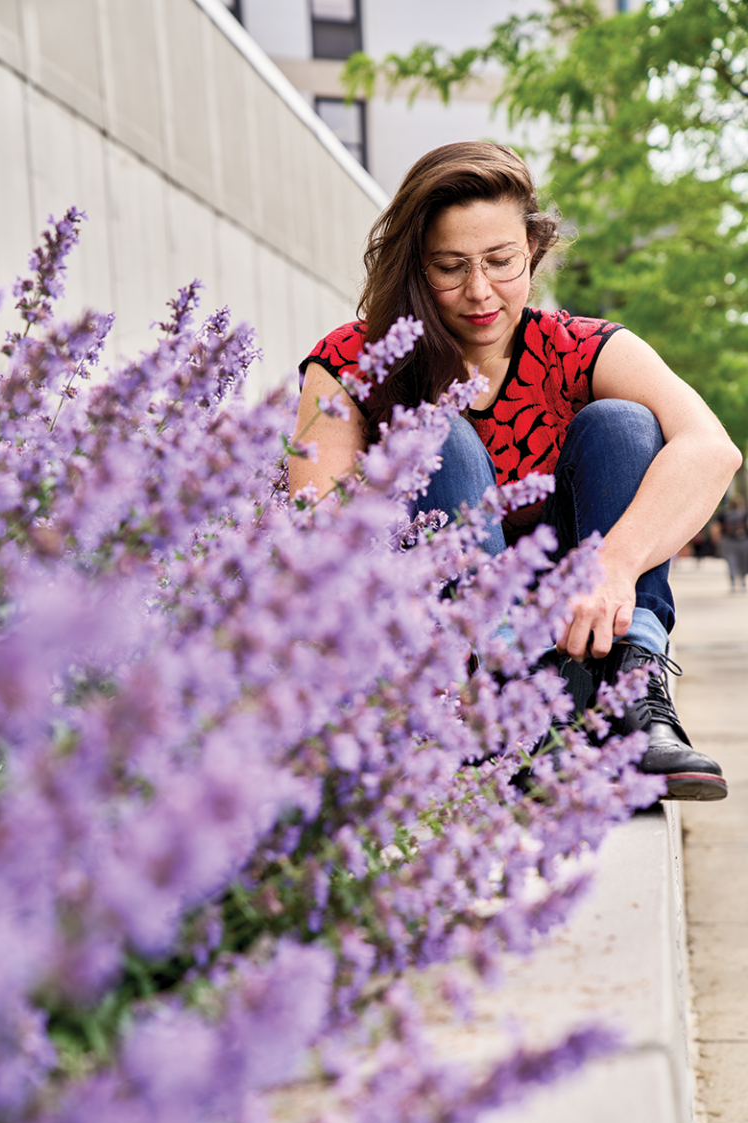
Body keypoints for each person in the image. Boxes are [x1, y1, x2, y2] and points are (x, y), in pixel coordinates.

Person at [289, 141, 742, 802]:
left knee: (626, 424)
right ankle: (498, 702)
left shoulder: (580, 346)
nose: (479, 292)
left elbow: (712, 449)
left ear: (532, 246)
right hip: (445, 637)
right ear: (417, 265)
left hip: (585, 620)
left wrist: (611, 568)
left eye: (500, 261)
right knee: (437, 431)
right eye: (450, 267)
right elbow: (316, 527)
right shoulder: (352, 363)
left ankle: (631, 689)